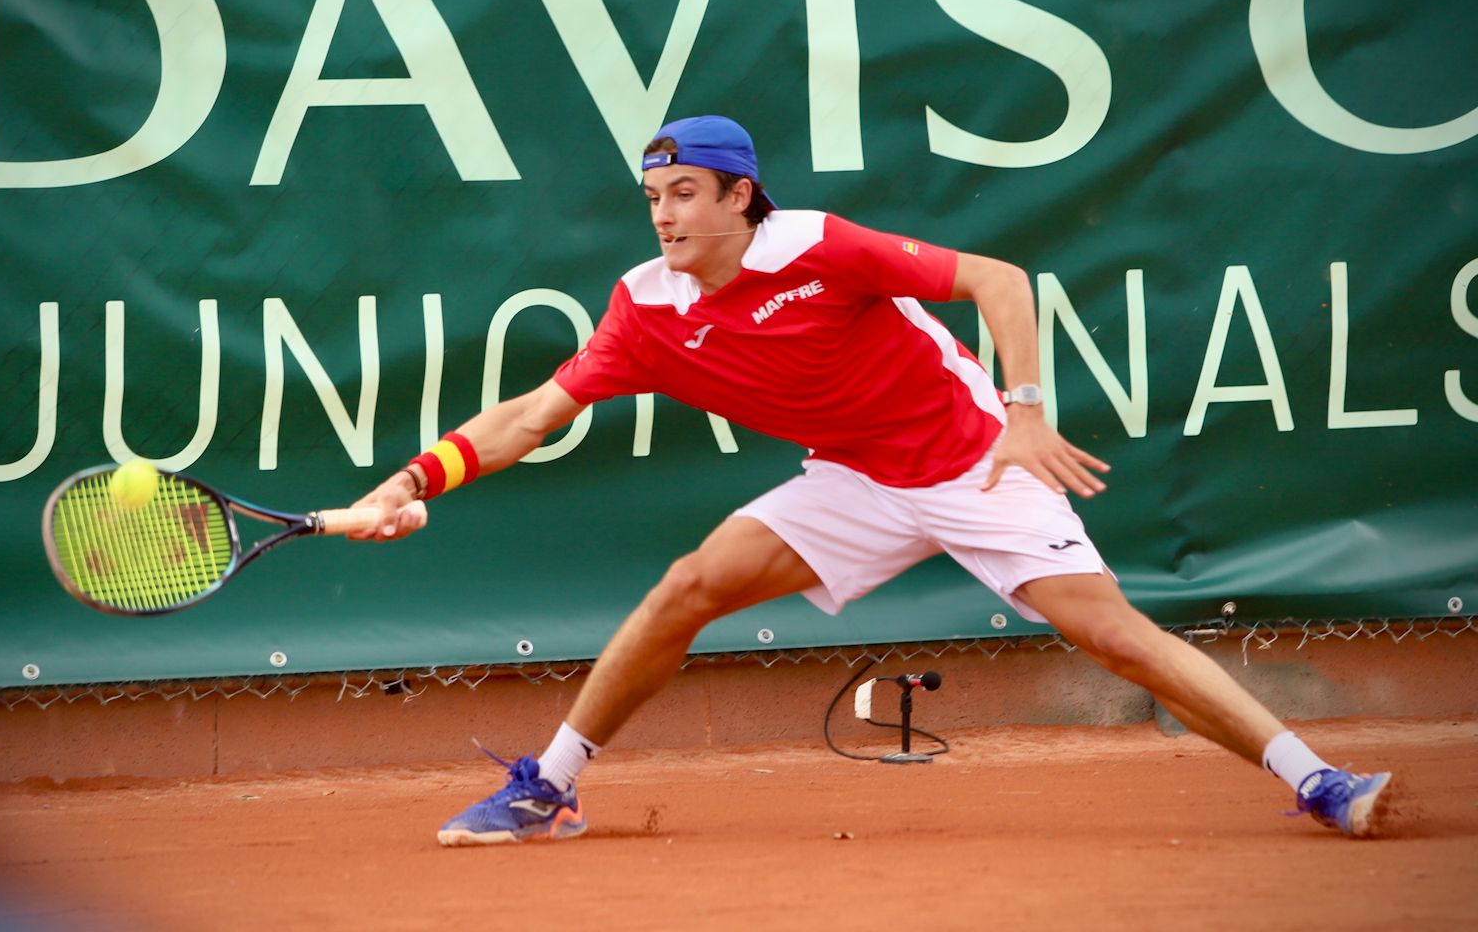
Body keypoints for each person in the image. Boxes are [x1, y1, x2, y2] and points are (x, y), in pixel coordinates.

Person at [349, 115, 1393, 845]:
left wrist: (1024, 411)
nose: (662, 215)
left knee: (1115, 635)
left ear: (738, 195)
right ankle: (551, 789)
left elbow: (999, 278)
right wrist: (409, 480)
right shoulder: (647, 305)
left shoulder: (819, 248)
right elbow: (533, 413)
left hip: (971, 457)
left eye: (682, 194)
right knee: (685, 586)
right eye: (651, 197)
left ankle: (1316, 778)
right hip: (851, 476)